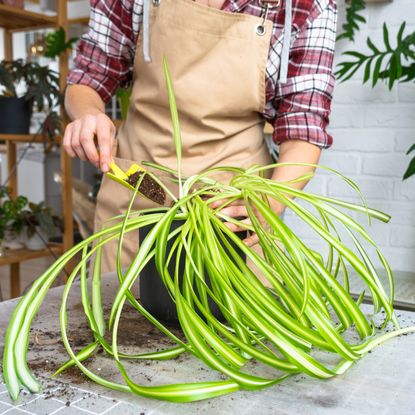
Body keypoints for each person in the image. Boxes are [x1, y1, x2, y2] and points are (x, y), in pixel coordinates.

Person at [64, 0, 337, 272]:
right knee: (122, 309)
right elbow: (89, 78)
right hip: (140, 189)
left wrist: (269, 203)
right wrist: (89, 114)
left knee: (228, 311)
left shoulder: (305, 5)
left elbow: (304, 126)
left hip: (230, 205)